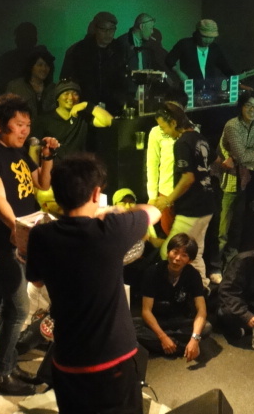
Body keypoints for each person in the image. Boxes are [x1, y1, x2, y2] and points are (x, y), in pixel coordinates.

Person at [26, 153, 161, 413]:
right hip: (114, 358)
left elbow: (37, 282)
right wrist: (109, 211)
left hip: (68, 358)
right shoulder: (111, 228)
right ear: (96, 193)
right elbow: (154, 212)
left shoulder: (41, 235)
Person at [0, 93, 59, 395]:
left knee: (13, 306)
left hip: (20, 241)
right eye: (19, 124)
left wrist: (47, 156)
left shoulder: (17, 151)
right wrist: (16, 228)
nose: (25, 130)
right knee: (19, 308)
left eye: (28, 125)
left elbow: (42, 183)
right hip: (1, 243)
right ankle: (0, 374)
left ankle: (6, 364)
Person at [153, 102, 216, 287]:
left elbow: (188, 178)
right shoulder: (199, 137)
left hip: (192, 207)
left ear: (173, 122)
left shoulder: (181, 142)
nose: (164, 132)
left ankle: (172, 292)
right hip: (208, 203)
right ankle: (201, 289)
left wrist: (167, 200)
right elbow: (215, 159)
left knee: (168, 251)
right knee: (195, 253)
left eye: (163, 127)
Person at [134, 233, 211, 361]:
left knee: (206, 327)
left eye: (184, 255)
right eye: (175, 252)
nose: (177, 258)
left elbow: (201, 310)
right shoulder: (152, 272)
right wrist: (163, 337)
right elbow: (146, 311)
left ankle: (170, 346)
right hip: (157, 321)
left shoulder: (193, 275)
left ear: (190, 260)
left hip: (180, 320)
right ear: (167, 252)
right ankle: (181, 347)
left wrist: (194, 338)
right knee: (131, 328)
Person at [213, 91, 254, 268]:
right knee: (222, 228)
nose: (252, 109)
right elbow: (244, 155)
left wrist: (243, 154)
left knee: (238, 223)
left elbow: (249, 149)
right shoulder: (232, 125)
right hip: (226, 179)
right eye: (248, 105)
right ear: (241, 107)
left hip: (243, 178)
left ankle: (232, 261)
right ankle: (215, 265)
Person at [60, 11, 128, 115]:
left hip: (113, 108)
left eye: (111, 29)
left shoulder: (118, 49)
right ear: (96, 29)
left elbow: (122, 80)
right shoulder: (79, 50)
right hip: (86, 108)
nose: (108, 33)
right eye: (103, 29)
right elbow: (68, 80)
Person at [32, 79, 113, 161]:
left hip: (78, 166)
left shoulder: (83, 117)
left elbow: (109, 121)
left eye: (75, 94)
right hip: (55, 167)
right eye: (66, 94)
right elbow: (34, 147)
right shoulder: (44, 120)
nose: (71, 97)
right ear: (58, 97)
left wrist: (87, 105)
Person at [165, 19, 234, 85]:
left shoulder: (214, 48)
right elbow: (169, 60)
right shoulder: (184, 44)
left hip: (210, 88)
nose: (208, 41)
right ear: (197, 33)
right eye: (205, 37)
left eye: (211, 37)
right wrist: (179, 73)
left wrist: (236, 77)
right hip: (189, 87)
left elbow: (225, 68)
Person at [147, 102, 178, 235]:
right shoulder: (156, 132)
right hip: (166, 191)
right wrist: (152, 196)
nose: (163, 130)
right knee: (169, 233)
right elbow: (152, 164)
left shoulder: (190, 131)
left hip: (186, 193)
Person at [6, 47, 56, 118]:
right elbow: (7, 112)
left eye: (47, 65)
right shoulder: (15, 87)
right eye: (40, 65)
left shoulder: (53, 88)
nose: (44, 68)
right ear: (31, 66)